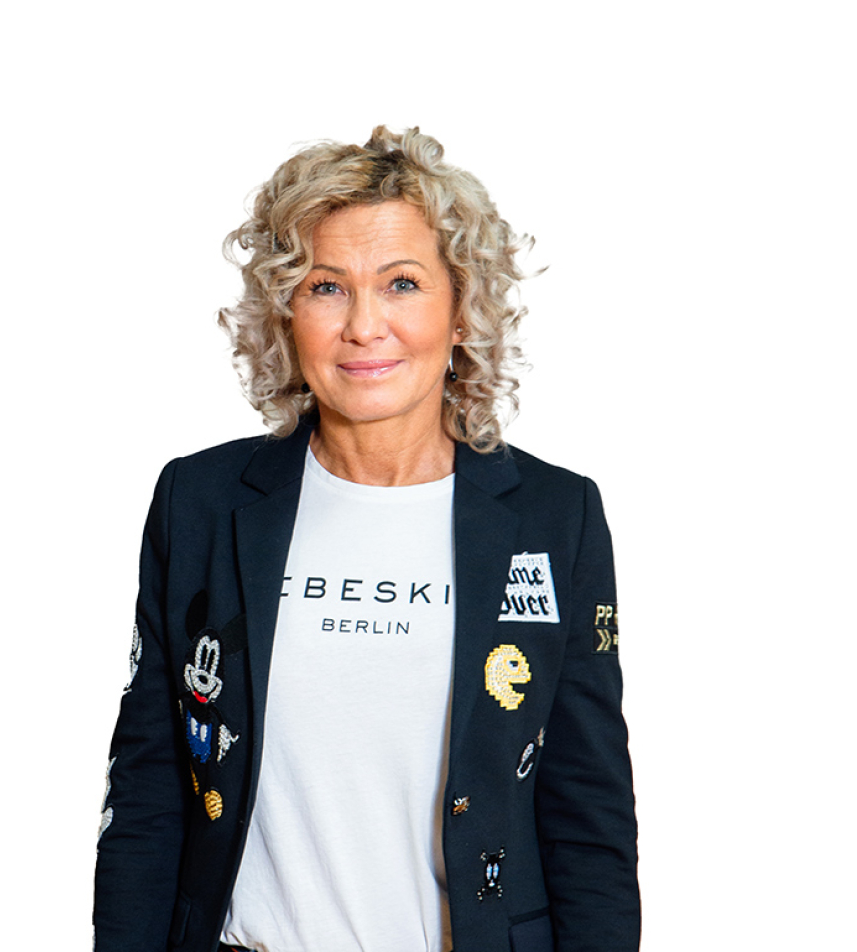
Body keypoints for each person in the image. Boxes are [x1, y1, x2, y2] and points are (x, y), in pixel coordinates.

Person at [93, 126, 639, 952]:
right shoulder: (199, 502)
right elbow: (148, 790)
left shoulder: (555, 518)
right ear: (286, 312)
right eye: (325, 287)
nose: (363, 325)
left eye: (402, 284)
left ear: (462, 311)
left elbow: (587, 812)